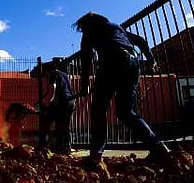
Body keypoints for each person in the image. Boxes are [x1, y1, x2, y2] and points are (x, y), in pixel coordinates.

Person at [73, 11, 170, 169]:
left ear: (86, 25)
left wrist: (85, 85)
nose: (82, 31)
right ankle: (158, 148)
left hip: (112, 62)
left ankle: (96, 155)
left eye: (82, 28)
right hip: (132, 64)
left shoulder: (90, 31)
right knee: (126, 111)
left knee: (98, 109)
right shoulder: (116, 27)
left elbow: (85, 59)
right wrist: (151, 59)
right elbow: (141, 41)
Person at [38, 58, 76, 155]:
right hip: (71, 101)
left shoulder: (52, 74)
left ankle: (44, 146)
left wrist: (47, 103)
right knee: (65, 126)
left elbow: (53, 89)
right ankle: (66, 148)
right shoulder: (65, 75)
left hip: (62, 102)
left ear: (48, 70)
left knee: (46, 121)